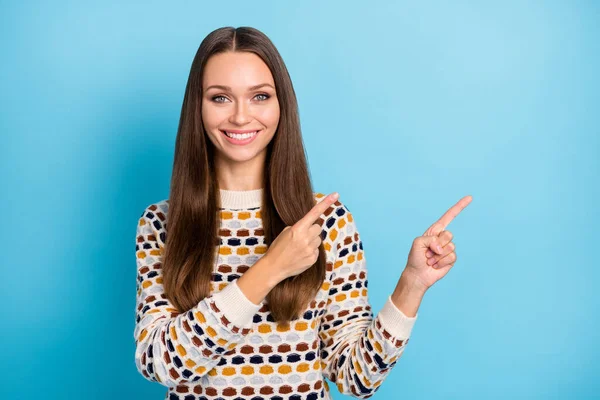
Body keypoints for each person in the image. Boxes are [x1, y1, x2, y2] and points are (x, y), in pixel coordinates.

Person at [134, 26, 472, 400]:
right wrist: (270, 268)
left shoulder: (326, 220)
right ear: (197, 107)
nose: (242, 117)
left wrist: (412, 284)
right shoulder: (162, 224)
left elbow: (354, 377)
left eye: (260, 96)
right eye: (220, 98)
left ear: (282, 106)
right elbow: (160, 364)